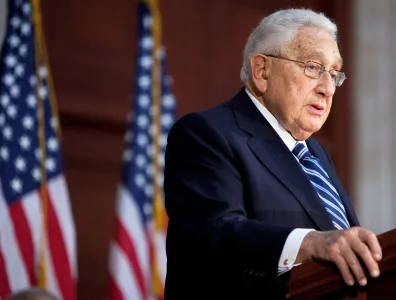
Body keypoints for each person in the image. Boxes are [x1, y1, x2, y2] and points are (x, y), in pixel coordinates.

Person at [163, 7, 382, 300]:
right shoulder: (207, 134)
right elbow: (213, 237)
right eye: (313, 67)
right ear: (262, 71)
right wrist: (311, 243)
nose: (328, 88)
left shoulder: (317, 155)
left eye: (334, 73)